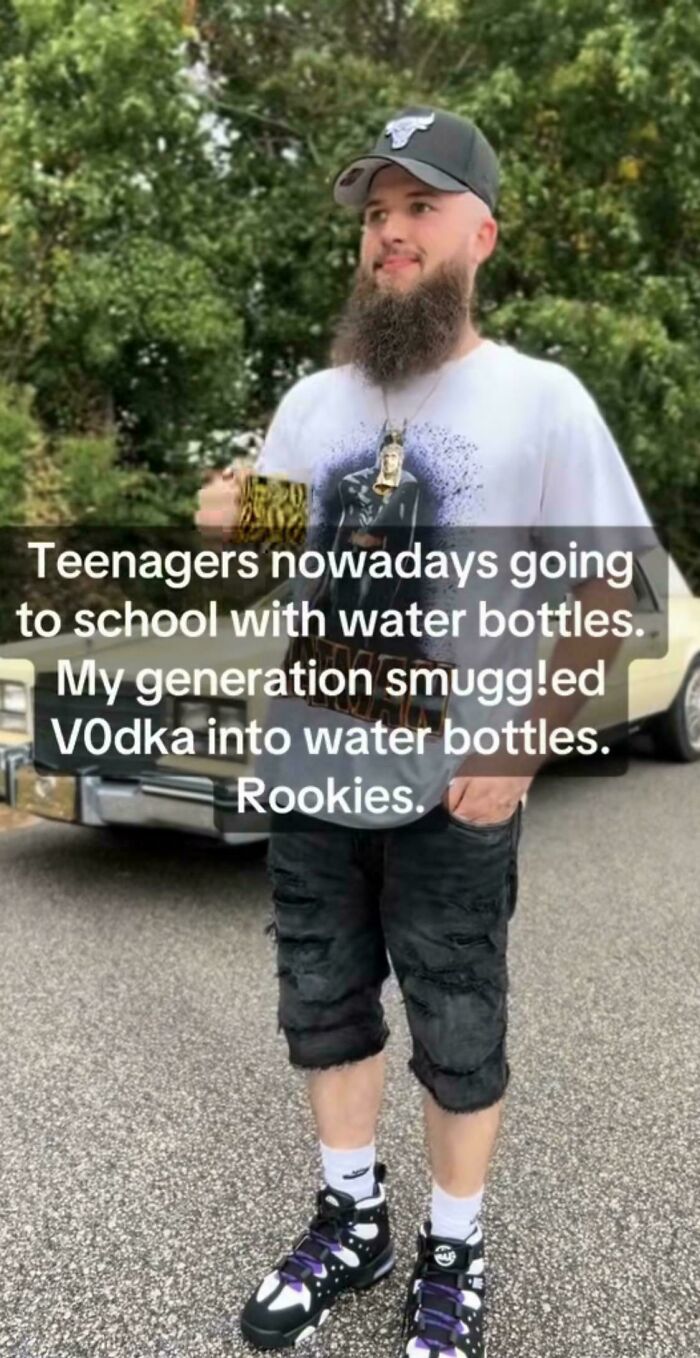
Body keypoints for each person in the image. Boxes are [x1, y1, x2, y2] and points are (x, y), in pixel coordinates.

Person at [196, 106, 657, 1356]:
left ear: (480, 233)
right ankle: (353, 1220)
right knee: (323, 1003)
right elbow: (289, 554)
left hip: (457, 779)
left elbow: (618, 591)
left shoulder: (538, 399)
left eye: (418, 209)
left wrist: (521, 747)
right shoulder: (310, 401)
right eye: (374, 214)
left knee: (458, 1019)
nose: (390, 234)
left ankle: (455, 1240)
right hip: (310, 762)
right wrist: (230, 522)